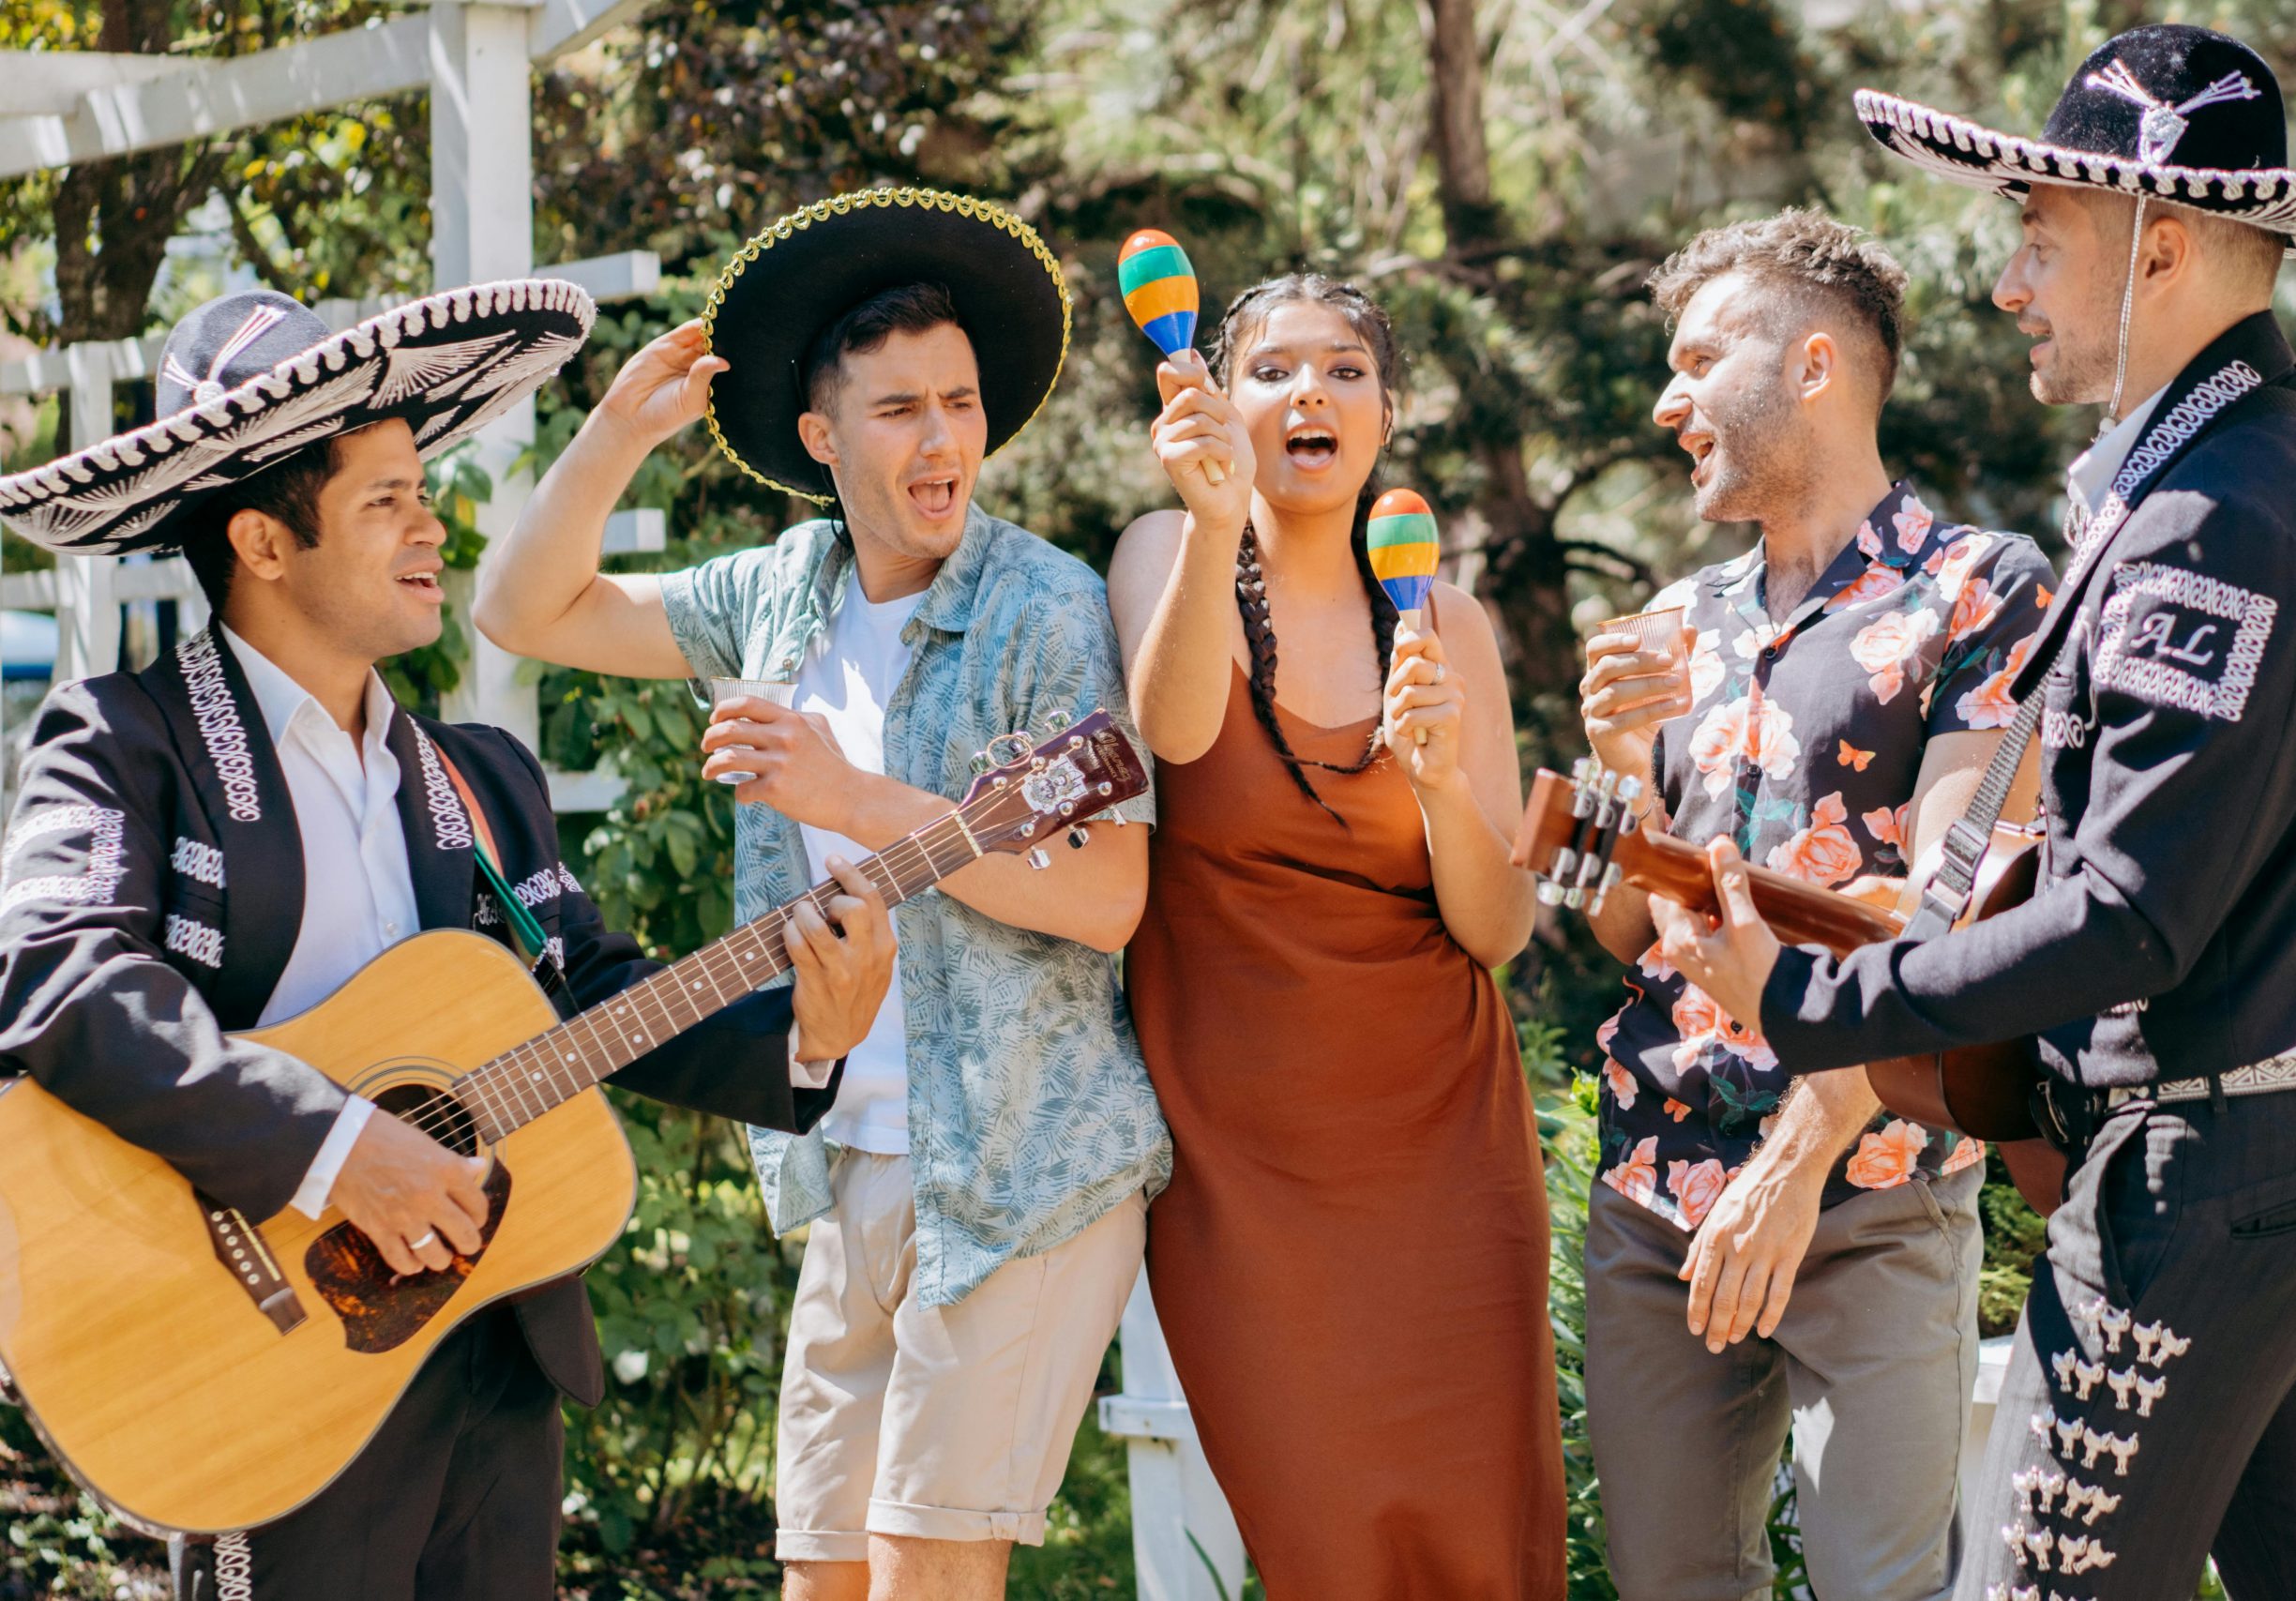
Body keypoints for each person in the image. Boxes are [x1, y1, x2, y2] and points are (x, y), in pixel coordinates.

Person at [0, 281, 897, 1601]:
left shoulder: (476, 775)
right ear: (260, 540)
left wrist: (808, 1043)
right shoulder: (127, 742)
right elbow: (61, 978)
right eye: (386, 502)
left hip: (487, 1337)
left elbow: (589, 994)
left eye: (424, 491)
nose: (433, 529)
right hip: (256, 1347)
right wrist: (331, 1142)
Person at [1654, 25, 2296, 1600]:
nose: (2008, 285)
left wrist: (1812, 998)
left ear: (2168, 251)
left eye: (2041, 241)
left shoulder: (2216, 516)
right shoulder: (2291, 469)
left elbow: (2130, 914)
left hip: (2195, 1179)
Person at [474, 189, 1170, 1601]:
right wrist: (615, 435)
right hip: (845, 1159)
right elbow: (519, 611)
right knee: (822, 1582)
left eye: (962, 404)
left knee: (927, 1575)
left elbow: (1110, 895)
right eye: (901, 409)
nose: (942, 442)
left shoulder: (1043, 605)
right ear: (822, 437)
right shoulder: (780, 593)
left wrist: (850, 798)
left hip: (1022, 1166)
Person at [1572, 208, 2055, 1601]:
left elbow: (1951, 914)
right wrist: (1622, 780)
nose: (1668, 400)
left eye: (1700, 356)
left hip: (1875, 1187)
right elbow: (1628, 936)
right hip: (1654, 1194)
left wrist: (1796, 1158)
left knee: (1880, 1590)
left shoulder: (1982, 588)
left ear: (1815, 365)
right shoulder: (1674, 621)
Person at [1109, 271, 1565, 1597]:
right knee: (1321, 1539)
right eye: (1272, 369)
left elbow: (1496, 930)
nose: (1309, 391)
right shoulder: (1161, 549)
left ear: (1388, 412)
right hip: (1244, 1168)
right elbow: (1179, 733)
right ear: (1220, 396)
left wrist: (1433, 780)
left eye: (1344, 370)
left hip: (1446, 1147)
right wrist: (1208, 520)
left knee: (1480, 1544)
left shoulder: (1448, 622)